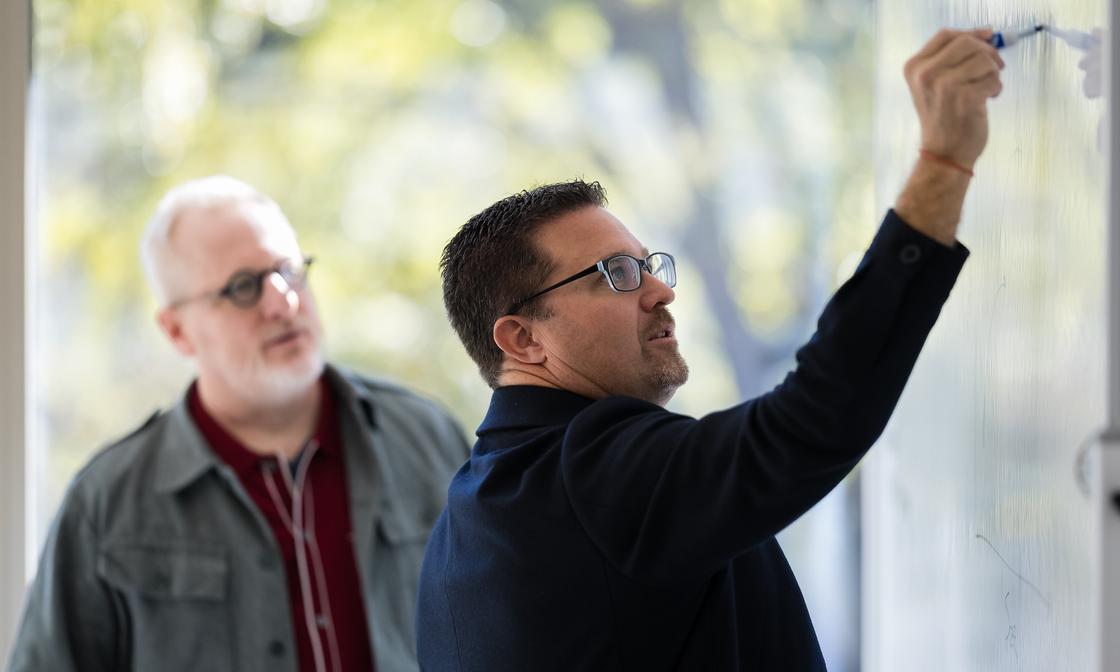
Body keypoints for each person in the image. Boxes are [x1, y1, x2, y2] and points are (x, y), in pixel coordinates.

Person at [417, 27, 1002, 670]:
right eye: (616, 274)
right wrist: (943, 166)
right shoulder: (588, 471)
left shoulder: (463, 528)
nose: (662, 292)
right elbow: (806, 426)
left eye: (650, 265)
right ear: (522, 338)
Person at [8, 176, 469, 672]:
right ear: (178, 331)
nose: (283, 302)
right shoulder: (106, 501)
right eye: (243, 287)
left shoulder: (427, 437)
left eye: (288, 272)